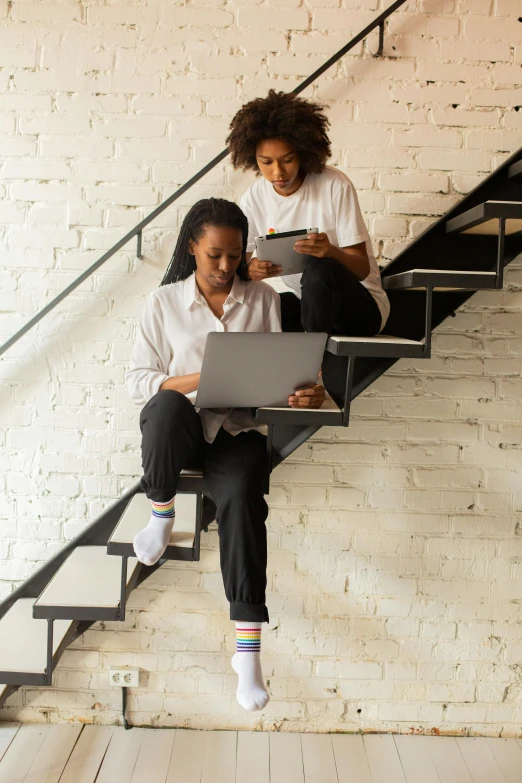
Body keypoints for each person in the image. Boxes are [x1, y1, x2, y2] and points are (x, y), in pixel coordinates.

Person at [126, 198, 325, 712]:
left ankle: (248, 654)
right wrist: (207, 374)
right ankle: (161, 515)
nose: (224, 267)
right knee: (165, 406)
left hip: (238, 427)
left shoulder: (263, 299)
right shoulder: (163, 303)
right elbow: (139, 382)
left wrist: (305, 392)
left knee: (242, 501)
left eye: (235, 256)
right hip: (185, 427)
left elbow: (283, 372)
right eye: (214, 254)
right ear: (192, 246)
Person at [226, 89, 390, 337]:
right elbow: (240, 264)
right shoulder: (254, 198)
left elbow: (362, 269)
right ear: (252, 159)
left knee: (319, 268)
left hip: (360, 309)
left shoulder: (334, 184)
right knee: (261, 306)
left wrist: (331, 252)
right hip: (309, 308)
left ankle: (313, 364)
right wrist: (250, 270)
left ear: (302, 152)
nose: (278, 172)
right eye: (266, 162)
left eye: (288, 159)